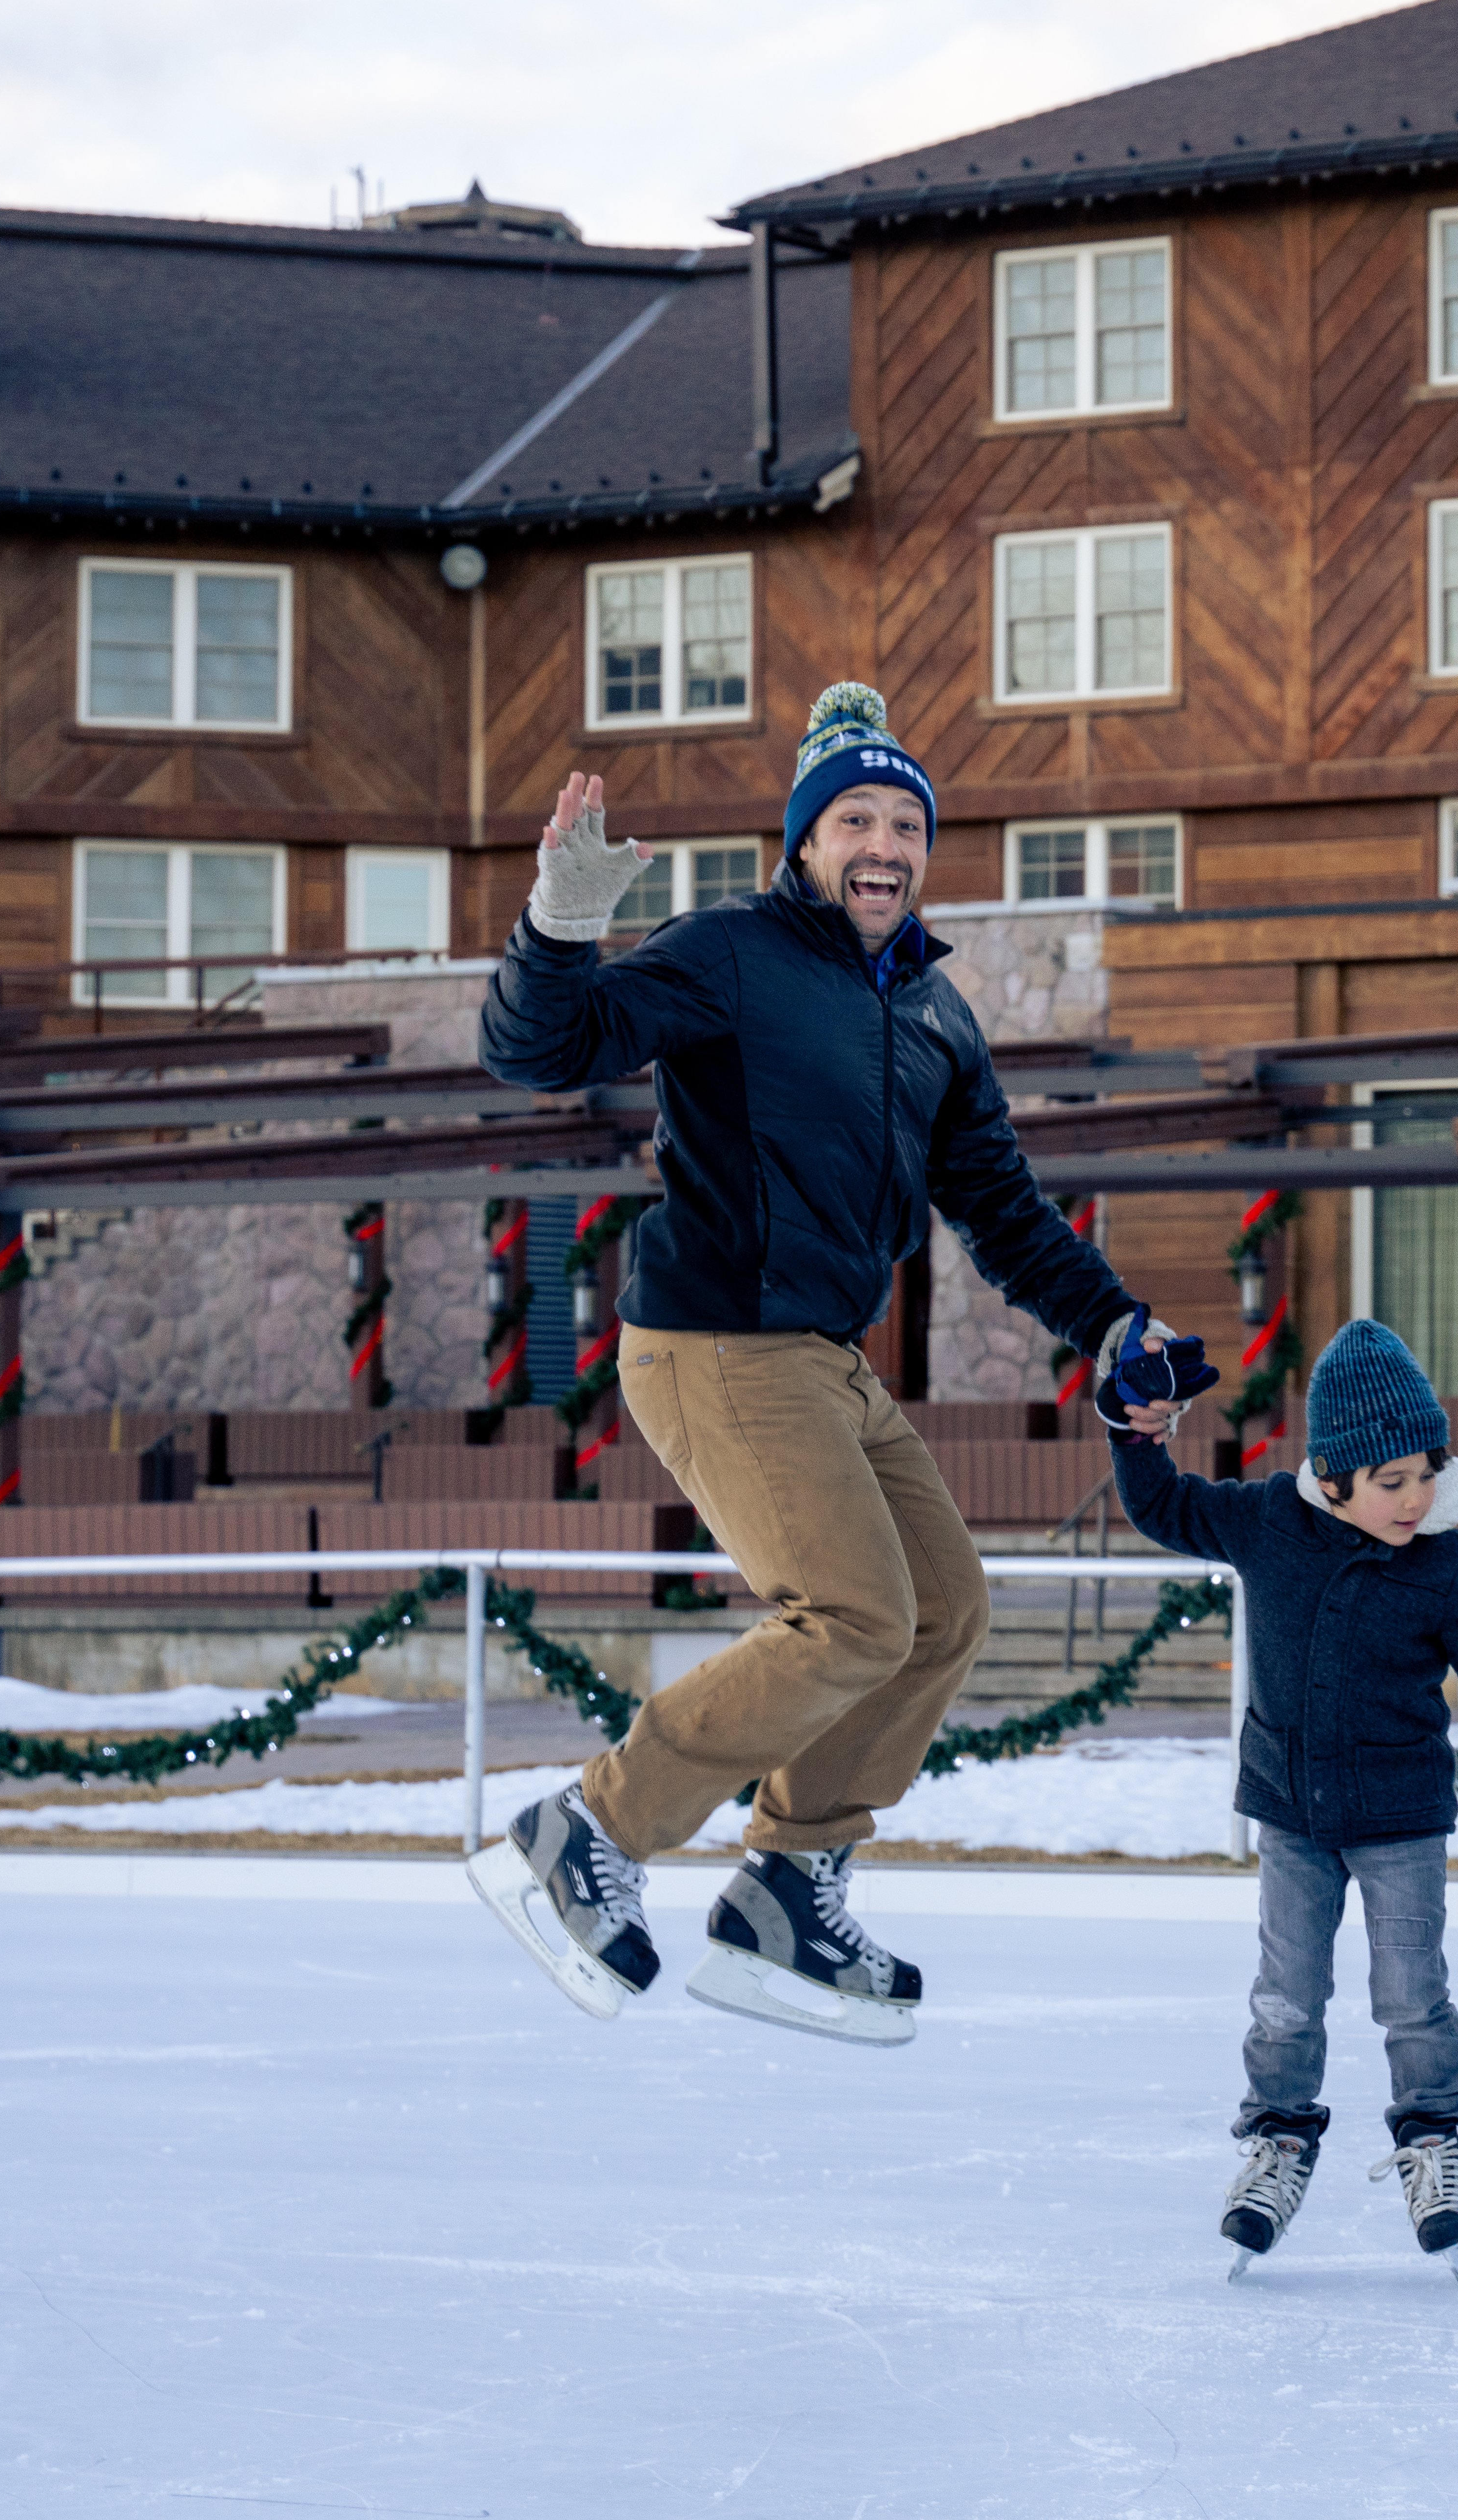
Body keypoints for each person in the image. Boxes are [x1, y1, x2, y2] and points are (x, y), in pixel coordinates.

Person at [465, 680, 1203, 2042]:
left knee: (944, 1607)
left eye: (905, 825)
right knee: (856, 1613)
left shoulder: (933, 1011)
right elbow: (540, 1048)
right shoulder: (730, 952)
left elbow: (1001, 1206)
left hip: (823, 1354)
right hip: (715, 1338)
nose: (883, 845)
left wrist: (1113, 1325)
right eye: (854, 819)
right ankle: (591, 1829)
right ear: (805, 843)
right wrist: (559, 923)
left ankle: (790, 1886)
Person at [1109, 1317, 1458, 2283]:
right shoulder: (1269, 1522)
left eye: (1426, 1474)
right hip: (1292, 1815)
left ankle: (1432, 2138)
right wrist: (1136, 1431)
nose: (1416, 1498)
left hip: (1400, 1818)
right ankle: (1279, 2139)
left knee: (1411, 1994)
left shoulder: (1442, 1563)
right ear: (1332, 1475)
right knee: (1285, 1997)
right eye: (1391, 1481)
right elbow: (1163, 1507)